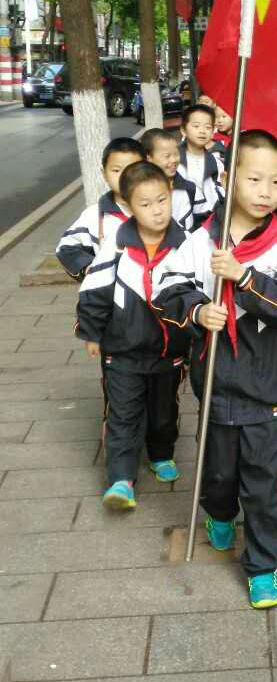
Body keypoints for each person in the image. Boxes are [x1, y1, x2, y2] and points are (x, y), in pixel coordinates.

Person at [155, 130, 277, 609]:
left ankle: (264, 565)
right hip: (217, 386)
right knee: (219, 474)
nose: (266, 191)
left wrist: (244, 277)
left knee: (266, 487)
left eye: (275, 181)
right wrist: (199, 311)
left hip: (270, 395)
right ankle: (218, 514)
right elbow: (167, 287)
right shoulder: (203, 238)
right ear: (228, 178)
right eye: (254, 179)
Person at [76, 162, 192, 510]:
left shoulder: (185, 242)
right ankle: (121, 478)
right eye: (145, 204)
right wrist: (92, 332)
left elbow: (196, 291)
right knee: (123, 413)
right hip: (122, 351)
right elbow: (94, 290)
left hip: (168, 351)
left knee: (163, 412)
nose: (156, 210)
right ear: (127, 205)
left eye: (161, 200)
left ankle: (161, 453)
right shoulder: (116, 243)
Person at [56, 137, 145, 280]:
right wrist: (87, 267)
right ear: (104, 174)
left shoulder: (159, 210)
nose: (124, 177)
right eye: (116, 170)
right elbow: (67, 247)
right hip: (110, 298)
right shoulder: (93, 216)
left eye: (133, 169)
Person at [141, 128, 197, 232]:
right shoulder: (138, 190)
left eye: (176, 154)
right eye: (167, 156)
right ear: (149, 159)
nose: (174, 160)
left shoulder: (188, 188)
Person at [178, 104, 221, 222]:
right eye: (196, 126)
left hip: (209, 219)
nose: (202, 131)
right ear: (183, 130)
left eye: (207, 127)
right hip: (182, 218)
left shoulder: (215, 161)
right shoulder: (174, 160)